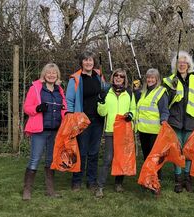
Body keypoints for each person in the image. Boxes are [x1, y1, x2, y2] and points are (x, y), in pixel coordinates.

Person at [22, 63, 67, 200]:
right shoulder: (36, 88)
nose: (51, 75)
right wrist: (37, 109)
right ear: (44, 74)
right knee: (35, 159)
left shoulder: (59, 90)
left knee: (51, 160)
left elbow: (63, 108)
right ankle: (27, 190)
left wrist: (67, 116)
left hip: (55, 131)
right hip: (40, 131)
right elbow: (26, 107)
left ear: (57, 75)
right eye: (49, 73)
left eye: (54, 73)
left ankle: (50, 190)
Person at [66, 51, 108, 191]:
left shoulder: (98, 76)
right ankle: (76, 180)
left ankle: (91, 181)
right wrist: (71, 117)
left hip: (97, 120)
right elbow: (69, 100)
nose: (88, 63)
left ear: (93, 62)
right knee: (82, 151)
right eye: (85, 60)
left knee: (94, 152)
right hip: (82, 120)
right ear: (81, 62)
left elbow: (105, 91)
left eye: (90, 60)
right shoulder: (76, 79)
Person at [163, 51, 194, 193]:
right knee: (177, 151)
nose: (182, 65)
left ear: (188, 65)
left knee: (189, 151)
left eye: (184, 63)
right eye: (179, 63)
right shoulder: (170, 80)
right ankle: (178, 181)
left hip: (190, 121)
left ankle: (187, 179)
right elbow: (168, 101)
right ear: (176, 65)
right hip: (175, 122)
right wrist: (172, 88)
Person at [95, 68, 136, 198]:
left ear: (125, 79)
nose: (118, 78)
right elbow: (102, 112)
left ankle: (118, 183)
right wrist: (101, 101)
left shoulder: (129, 93)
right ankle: (100, 186)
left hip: (124, 131)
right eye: (116, 76)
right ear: (113, 77)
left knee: (121, 158)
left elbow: (134, 109)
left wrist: (131, 115)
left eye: (121, 76)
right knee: (107, 159)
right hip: (110, 130)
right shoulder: (107, 92)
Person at [136, 68, 170, 181]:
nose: (150, 80)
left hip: (155, 131)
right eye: (148, 77)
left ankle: (156, 179)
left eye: (152, 77)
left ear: (157, 79)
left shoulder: (161, 91)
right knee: (146, 156)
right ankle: (148, 178)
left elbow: (165, 110)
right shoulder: (144, 92)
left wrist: (164, 120)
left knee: (155, 157)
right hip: (143, 130)